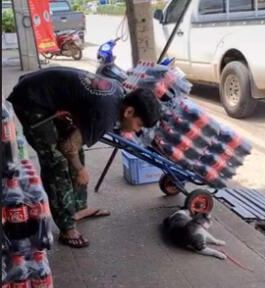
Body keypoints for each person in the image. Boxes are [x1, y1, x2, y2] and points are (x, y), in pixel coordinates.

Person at [7, 67, 162, 248]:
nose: (137, 130)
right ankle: (67, 227)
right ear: (129, 112)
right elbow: (67, 146)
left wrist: (77, 163)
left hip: (46, 92)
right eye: (139, 124)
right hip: (31, 99)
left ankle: (79, 208)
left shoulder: (119, 95)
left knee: (77, 151)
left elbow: (74, 143)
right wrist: (80, 170)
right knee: (56, 162)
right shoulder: (107, 113)